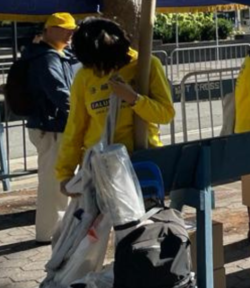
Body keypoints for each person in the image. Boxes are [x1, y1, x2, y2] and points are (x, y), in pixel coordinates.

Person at [56, 18, 175, 196]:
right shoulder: (84, 76)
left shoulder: (146, 65)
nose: (99, 70)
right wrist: (65, 173)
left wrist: (134, 99)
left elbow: (165, 114)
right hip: (100, 163)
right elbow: (75, 127)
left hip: (142, 159)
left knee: (143, 219)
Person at [23, 13, 79, 243]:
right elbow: (60, 94)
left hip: (50, 127)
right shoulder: (47, 59)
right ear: (49, 30)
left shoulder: (50, 55)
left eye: (71, 29)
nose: (70, 33)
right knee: (53, 184)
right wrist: (80, 117)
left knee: (54, 183)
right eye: (64, 29)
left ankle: (53, 231)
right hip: (51, 128)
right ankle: (48, 233)